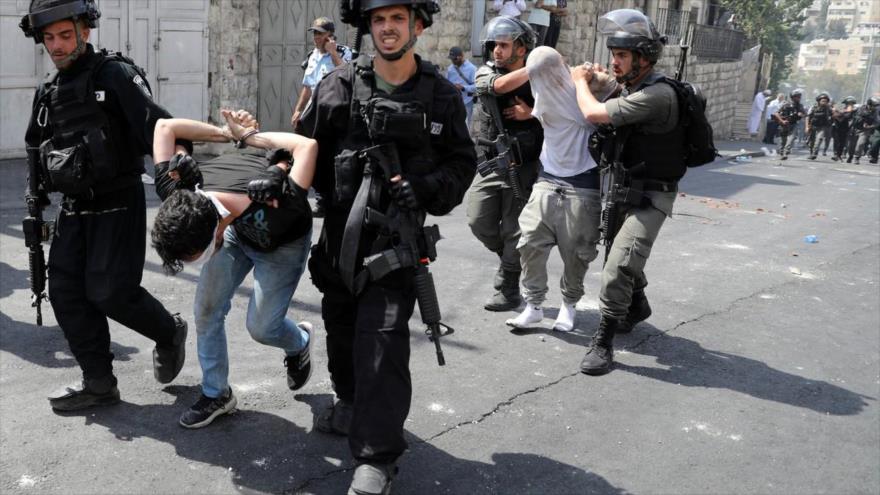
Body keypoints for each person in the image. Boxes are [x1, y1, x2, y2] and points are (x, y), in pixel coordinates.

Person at [295, 1, 476, 492]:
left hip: (395, 243)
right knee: (341, 329)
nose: (388, 28)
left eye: (398, 19)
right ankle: (350, 401)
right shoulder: (338, 86)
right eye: (379, 20)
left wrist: (427, 188)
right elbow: (301, 149)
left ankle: (376, 458)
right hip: (338, 240)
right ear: (368, 27)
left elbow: (463, 162)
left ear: (417, 25)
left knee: (383, 345)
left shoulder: (440, 96)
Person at [20, 0, 189, 411]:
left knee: (109, 291)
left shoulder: (113, 75)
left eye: (65, 35)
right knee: (65, 292)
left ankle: (169, 332)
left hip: (119, 200)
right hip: (75, 207)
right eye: (49, 38)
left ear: (85, 31)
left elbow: (160, 126)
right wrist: (35, 202)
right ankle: (98, 382)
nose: (57, 46)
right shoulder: (48, 94)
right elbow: (34, 147)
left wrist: (179, 164)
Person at [149, 110, 318, 429]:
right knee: (206, 309)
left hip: (281, 243)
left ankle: (299, 342)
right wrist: (227, 134)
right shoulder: (178, 191)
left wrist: (248, 138)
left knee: (263, 328)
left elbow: (307, 146)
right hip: (234, 233)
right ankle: (216, 394)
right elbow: (165, 126)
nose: (191, 265)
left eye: (194, 256)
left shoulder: (281, 204)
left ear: (211, 232)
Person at [572, 9, 684, 375]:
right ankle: (636, 305)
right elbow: (607, 91)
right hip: (622, 189)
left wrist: (579, 82)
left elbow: (594, 114)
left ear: (643, 59)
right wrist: (597, 78)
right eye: (614, 54)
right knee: (617, 260)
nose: (614, 62)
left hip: (652, 195)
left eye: (621, 56)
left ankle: (603, 342)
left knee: (619, 264)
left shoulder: (659, 95)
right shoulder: (632, 87)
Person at [505, 47, 619, 332]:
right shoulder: (541, 92)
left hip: (583, 184)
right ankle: (533, 306)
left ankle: (568, 306)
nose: (543, 80)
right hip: (547, 178)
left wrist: (595, 77)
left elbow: (611, 91)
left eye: (547, 72)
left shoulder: (585, 85)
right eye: (536, 75)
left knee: (577, 253)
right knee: (529, 243)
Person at [468, 16, 542, 312]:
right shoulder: (485, 72)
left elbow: (564, 115)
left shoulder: (541, 81)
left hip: (522, 166)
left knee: (514, 228)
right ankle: (510, 259)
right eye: (494, 45)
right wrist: (537, 66)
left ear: (522, 49)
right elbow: (497, 87)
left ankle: (508, 286)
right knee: (478, 220)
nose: (496, 51)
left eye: (503, 45)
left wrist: (532, 113)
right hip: (492, 163)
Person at [291, 16, 352, 218]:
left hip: (333, 115)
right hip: (312, 114)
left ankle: (331, 198)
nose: (316, 37)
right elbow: (307, 87)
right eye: (314, 33)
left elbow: (347, 77)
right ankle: (317, 197)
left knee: (330, 157)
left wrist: (333, 53)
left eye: (320, 33)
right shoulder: (313, 56)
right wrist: (298, 110)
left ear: (330, 35)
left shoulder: (344, 53)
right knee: (311, 156)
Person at [445, 46, 477, 130]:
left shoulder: (472, 69)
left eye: (454, 59)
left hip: (466, 102)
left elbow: (477, 87)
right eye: (451, 59)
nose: (452, 61)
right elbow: (446, 84)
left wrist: (463, 88)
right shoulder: (450, 69)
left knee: (465, 125)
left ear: (460, 57)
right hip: (453, 102)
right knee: (452, 125)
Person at [773, 89, 805, 160]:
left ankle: (786, 152)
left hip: (794, 124)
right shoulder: (785, 104)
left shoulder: (800, 106)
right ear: (793, 97)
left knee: (791, 138)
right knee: (783, 141)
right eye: (797, 97)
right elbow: (776, 113)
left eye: (799, 97)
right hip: (784, 124)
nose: (799, 98)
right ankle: (782, 153)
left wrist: (801, 114)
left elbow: (804, 114)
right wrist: (782, 121)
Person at [846, 97, 879, 164]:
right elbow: (849, 115)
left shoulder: (875, 113)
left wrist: (870, 126)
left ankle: (857, 157)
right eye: (874, 105)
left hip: (865, 130)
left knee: (860, 144)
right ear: (869, 104)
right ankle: (850, 156)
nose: (875, 107)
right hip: (854, 128)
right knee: (851, 146)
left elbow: (877, 123)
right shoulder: (859, 108)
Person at [806, 93, 833, 160]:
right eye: (823, 101)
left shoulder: (828, 108)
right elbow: (808, 117)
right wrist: (807, 127)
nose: (824, 102)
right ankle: (811, 153)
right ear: (819, 101)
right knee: (811, 141)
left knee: (819, 139)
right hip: (813, 126)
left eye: (826, 101)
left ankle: (815, 153)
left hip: (822, 127)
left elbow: (834, 115)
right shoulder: (813, 107)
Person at [831, 96, 857, 161]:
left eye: (851, 103)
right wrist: (838, 113)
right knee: (838, 141)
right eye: (848, 103)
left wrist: (840, 112)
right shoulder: (841, 109)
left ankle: (846, 155)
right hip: (839, 127)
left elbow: (847, 116)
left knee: (847, 143)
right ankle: (837, 154)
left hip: (850, 129)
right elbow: (835, 115)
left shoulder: (855, 110)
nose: (850, 105)